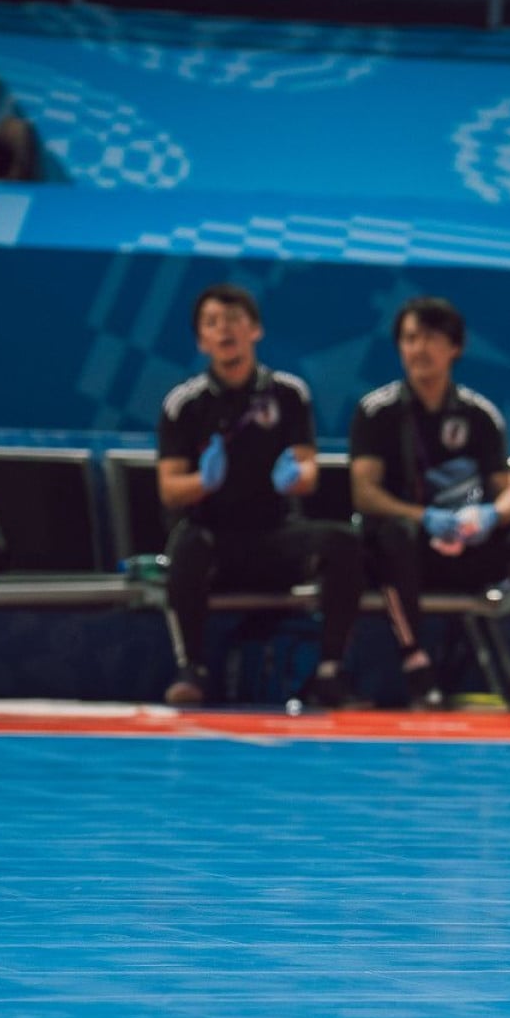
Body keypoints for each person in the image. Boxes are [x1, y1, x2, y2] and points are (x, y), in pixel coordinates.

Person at [349, 297, 510, 711]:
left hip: (468, 545)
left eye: (431, 338)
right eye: (410, 338)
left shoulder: (479, 414)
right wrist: (424, 518)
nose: (419, 349)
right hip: (409, 549)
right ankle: (417, 667)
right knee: (389, 536)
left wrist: (488, 516)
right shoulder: (376, 411)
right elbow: (364, 494)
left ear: (455, 347)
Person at [156, 283, 365, 707]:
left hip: (275, 533)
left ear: (255, 330)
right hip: (215, 537)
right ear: (201, 340)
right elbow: (169, 490)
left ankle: (329, 671)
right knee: (187, 545)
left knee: (344, 542)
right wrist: (203, 483)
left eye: (234, 320)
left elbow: (308, 469)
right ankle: (191, 669)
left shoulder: (288, 394)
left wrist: (295, 477)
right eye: (212, 323)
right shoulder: (184, 404)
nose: (224, 330)